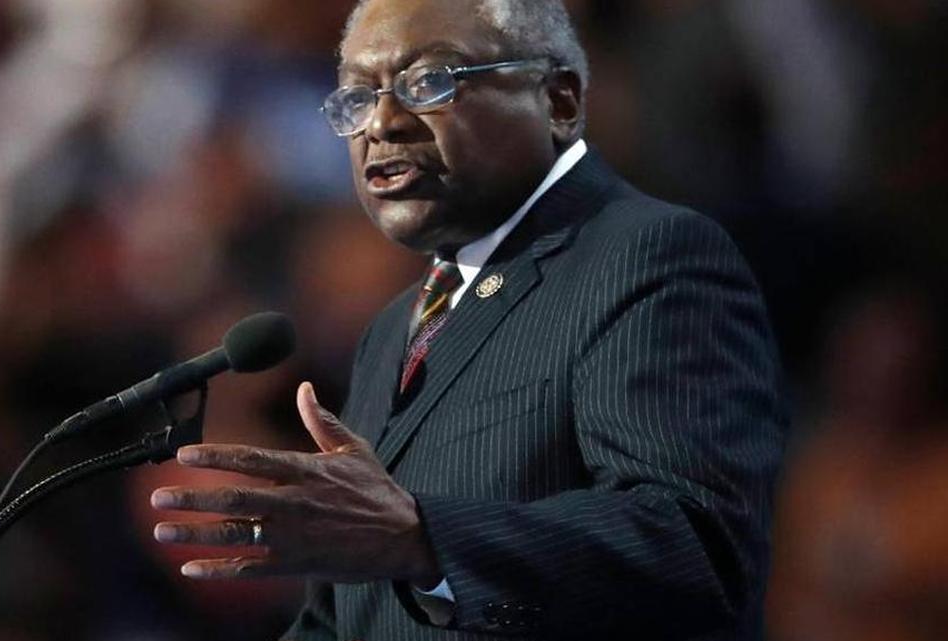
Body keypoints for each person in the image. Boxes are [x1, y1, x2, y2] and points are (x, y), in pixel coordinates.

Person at [149, 0, 786, 639]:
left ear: (559, 101)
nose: (383, 124)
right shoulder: (394, 328)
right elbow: (344, 618)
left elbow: (696, 551)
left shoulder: (648, 256)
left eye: (430, 82)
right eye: (356, 99)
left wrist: (423, 538)